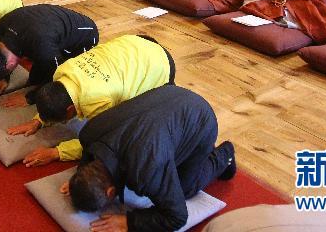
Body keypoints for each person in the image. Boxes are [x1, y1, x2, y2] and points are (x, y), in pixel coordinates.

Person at [66, 85, 236, 232]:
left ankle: (224, 155)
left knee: (184, 187)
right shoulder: (89, 134)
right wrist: (81, 181)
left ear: (111, 192)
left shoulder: (146, 169)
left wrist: (130, 222)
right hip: (170, 96)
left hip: (201, 119)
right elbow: (88, 156)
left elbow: (177, 217)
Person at [7, 35, 176, 166]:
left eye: (63, 120)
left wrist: (56, 153)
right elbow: (55, 95)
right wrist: (38, 120)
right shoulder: (63, 71)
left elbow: (100, 141)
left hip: (160, 64)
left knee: (135, 125)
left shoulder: (100, 100)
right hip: (134, 41)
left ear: (70, 109)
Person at [0, 5, 99, 104]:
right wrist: (4, 79)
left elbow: (58, 75)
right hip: (47, 27)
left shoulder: (42, 47)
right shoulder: (3, 25)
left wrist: (30, 99)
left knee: (59, 81)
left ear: (10, 65)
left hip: (85, 35)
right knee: (35, 79)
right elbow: (3, 58)